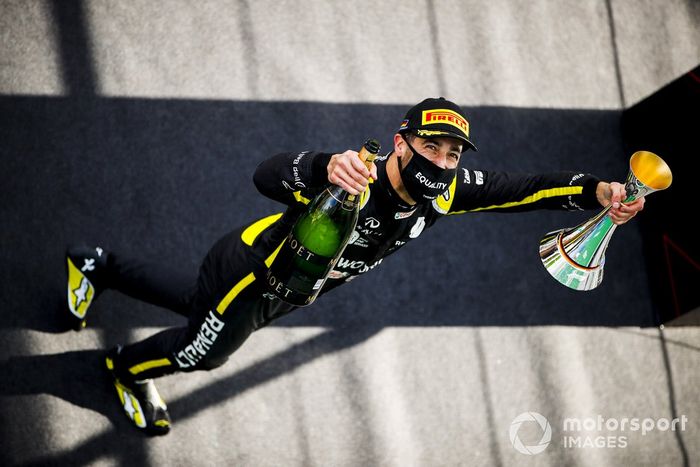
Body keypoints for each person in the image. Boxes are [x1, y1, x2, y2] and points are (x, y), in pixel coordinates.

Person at [64, 97, 644, 435]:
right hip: (254, 274)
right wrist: (322, 167)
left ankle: (98, 265)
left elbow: (522, 189)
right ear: (400, 142)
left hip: (293, 287)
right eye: (429, 148)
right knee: (205, 350)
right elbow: (267, 174)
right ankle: (124, 370)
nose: (441, 163)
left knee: (198, 306)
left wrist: (596, 192)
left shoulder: (444, 192)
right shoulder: (352, 178)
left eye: (451, 154)